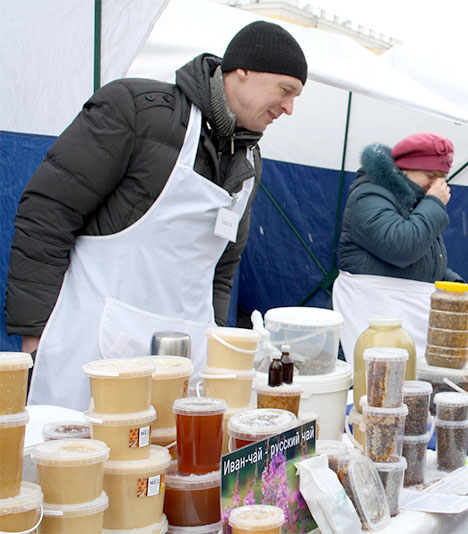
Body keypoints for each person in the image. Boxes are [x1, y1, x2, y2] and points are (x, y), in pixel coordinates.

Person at [5, 21, 307, 410]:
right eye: (286, 91)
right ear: (243, 71)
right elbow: (47, 212)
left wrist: (215, 348)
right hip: (91, 352)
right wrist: (34, 332)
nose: (289, 108)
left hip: (184, 369)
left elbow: (221, 271)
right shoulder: (136, 110)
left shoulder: (249, 163)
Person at [338, 132, 464, 283]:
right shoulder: (369, 195)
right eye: (430, 176)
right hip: (369, 302)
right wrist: (434, 202)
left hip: (399, 302)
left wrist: (450, 281)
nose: (435, 184)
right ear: (405, 169)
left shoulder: (419, 202)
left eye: (441, 178)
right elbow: (402, 249)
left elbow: (422, 257)